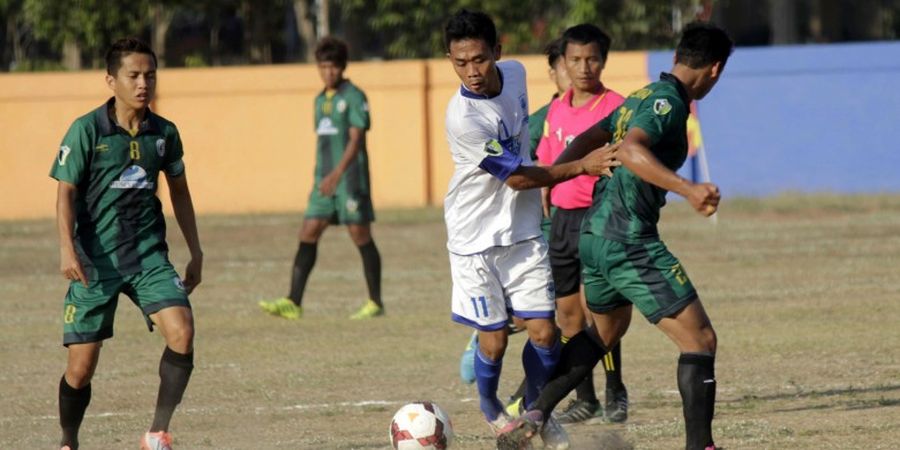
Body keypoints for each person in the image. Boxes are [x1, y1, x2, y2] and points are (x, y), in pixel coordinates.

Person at [503, 22, 733, 450]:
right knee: (700, 340)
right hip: (627, 238)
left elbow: (591, 136)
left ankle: (534, 412)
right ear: (715, 70)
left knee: (603, 334)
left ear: (676, 58)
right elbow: (629, 149)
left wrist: (557, 178)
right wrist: (689, 189)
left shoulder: (641, 97)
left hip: (594, 233)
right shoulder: (665, 103)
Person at [441, 9, 619, 449]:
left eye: (479, 59)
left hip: (521, 232)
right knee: (496, 341)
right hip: (474, 239)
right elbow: (518, 177)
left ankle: (533, 412)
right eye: (460, 63)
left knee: (545, 332)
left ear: (498, 52)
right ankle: (490, 408)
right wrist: (581, 165)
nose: (472, 72)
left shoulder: (517, 74)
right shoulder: (463, 117)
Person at [50, 38, 202, 450]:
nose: (143, 83)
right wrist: (66, 247)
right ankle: (69, 441)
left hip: (148, 256)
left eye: (149, 75)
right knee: (80, 369)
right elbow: (65, 192)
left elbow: (180, 192)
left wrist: (196, 250)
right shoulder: (87, 130)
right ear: (110, 80)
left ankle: (157, 433)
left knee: (183, 333)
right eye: (133, 75)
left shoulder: (164, 133)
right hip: (93, 260)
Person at [457, 38, 570, 386]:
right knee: (557, 312)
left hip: (577, 217)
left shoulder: (606, 107)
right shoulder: (542, 118)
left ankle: (582, 398)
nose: (578, 71)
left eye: (587, 60)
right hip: (525, 221)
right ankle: (492, 328)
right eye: (568, 64)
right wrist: (579, 168)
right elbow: (521, 175)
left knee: (569, 314)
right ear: (552, 73)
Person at [534, 23, 629, 425]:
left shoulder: (617, 107)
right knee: (568, 316)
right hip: (561, 222)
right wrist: (543, 191)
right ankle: (584, 398)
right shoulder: (556, 108)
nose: (584, 67)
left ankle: (615, 390)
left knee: (600, 311)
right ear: (564, 63)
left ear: (603, 61)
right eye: (575, 59)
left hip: (599, 220)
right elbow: (548, 162)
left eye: (591, 58)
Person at [259, 37, 384, 320]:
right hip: (323, 182)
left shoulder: (354, 96)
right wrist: (323, 177)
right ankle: (293, 301)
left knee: (360, 235)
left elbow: (356, 140)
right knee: (308, 232)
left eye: (333, 67)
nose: (329, 72)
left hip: (349, 180)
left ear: (342, 67)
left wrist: (338, 174)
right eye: (323, 66)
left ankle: (375, 302)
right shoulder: (318, 100)